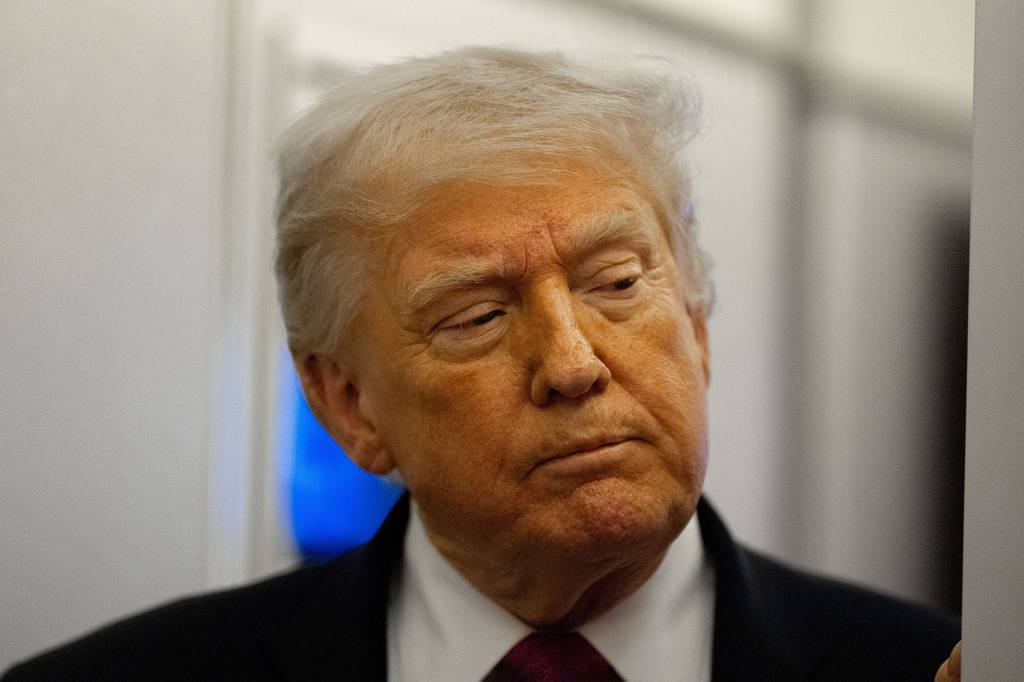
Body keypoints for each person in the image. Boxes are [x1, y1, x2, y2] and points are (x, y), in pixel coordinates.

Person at [4, 47, 960, 682]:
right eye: (476, 317)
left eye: (617, 282)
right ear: (349, 405)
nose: (573, 365)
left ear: (698, 325)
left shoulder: (929, 669)